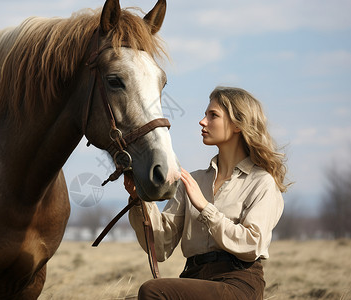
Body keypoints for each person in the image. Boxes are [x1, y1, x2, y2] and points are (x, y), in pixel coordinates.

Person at [124, 86, 289, 300]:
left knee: (152, 291)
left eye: (213, 116)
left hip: (237, 283)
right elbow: (160, 246)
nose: (202, 122)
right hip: (193, 278)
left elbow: (252, 244)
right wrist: (140, 200)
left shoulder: (261, 182)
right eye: (205, 115)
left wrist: (205, 208)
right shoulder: (194, 181)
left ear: (238, 124)